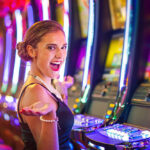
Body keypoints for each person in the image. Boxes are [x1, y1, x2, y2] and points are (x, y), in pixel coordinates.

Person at [16, 20, 74, 150]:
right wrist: (49, 115)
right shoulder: (35, 91)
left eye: (64, 47)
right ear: (31, 51)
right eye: (51, 47)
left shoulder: (43, 84)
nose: (60, 55)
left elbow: (60, 128)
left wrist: (63, 92)